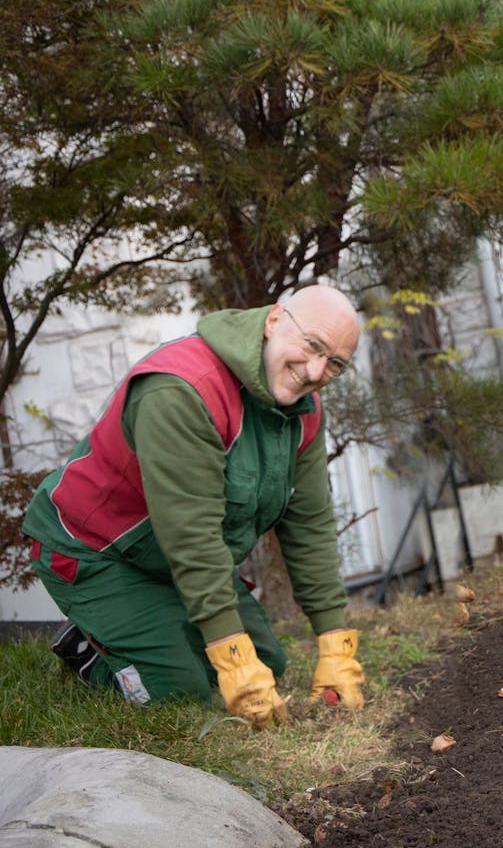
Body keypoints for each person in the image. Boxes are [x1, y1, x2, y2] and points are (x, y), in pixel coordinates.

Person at [25, 284, 367, 728]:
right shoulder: (182, 389)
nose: (317, 369)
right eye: (313, 346)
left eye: (335, 363)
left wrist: (334, 641)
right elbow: (192, 538)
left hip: (172, 556)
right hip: (95, 549)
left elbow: (310, 523)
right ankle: (88, 650)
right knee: (181, 693)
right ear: (275, 320)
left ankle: (149, 627)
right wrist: (232, 662)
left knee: (268, 662)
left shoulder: (304, 411)